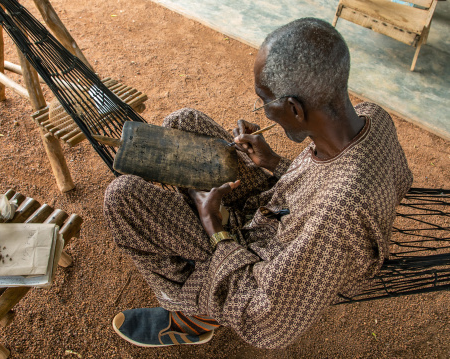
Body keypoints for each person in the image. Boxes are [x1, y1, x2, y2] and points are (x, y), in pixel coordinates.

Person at [103, 17, 412, 349]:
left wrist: (215, 229)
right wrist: (273, 162)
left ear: (294, 108)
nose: (264, 112)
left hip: (255, 256)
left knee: (123, 197)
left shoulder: (336, 218)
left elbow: (269, 321)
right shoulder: (372, 116)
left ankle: (192, 310)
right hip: (272, 207)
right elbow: (329, 179)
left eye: (265, 101)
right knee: (182, 122)